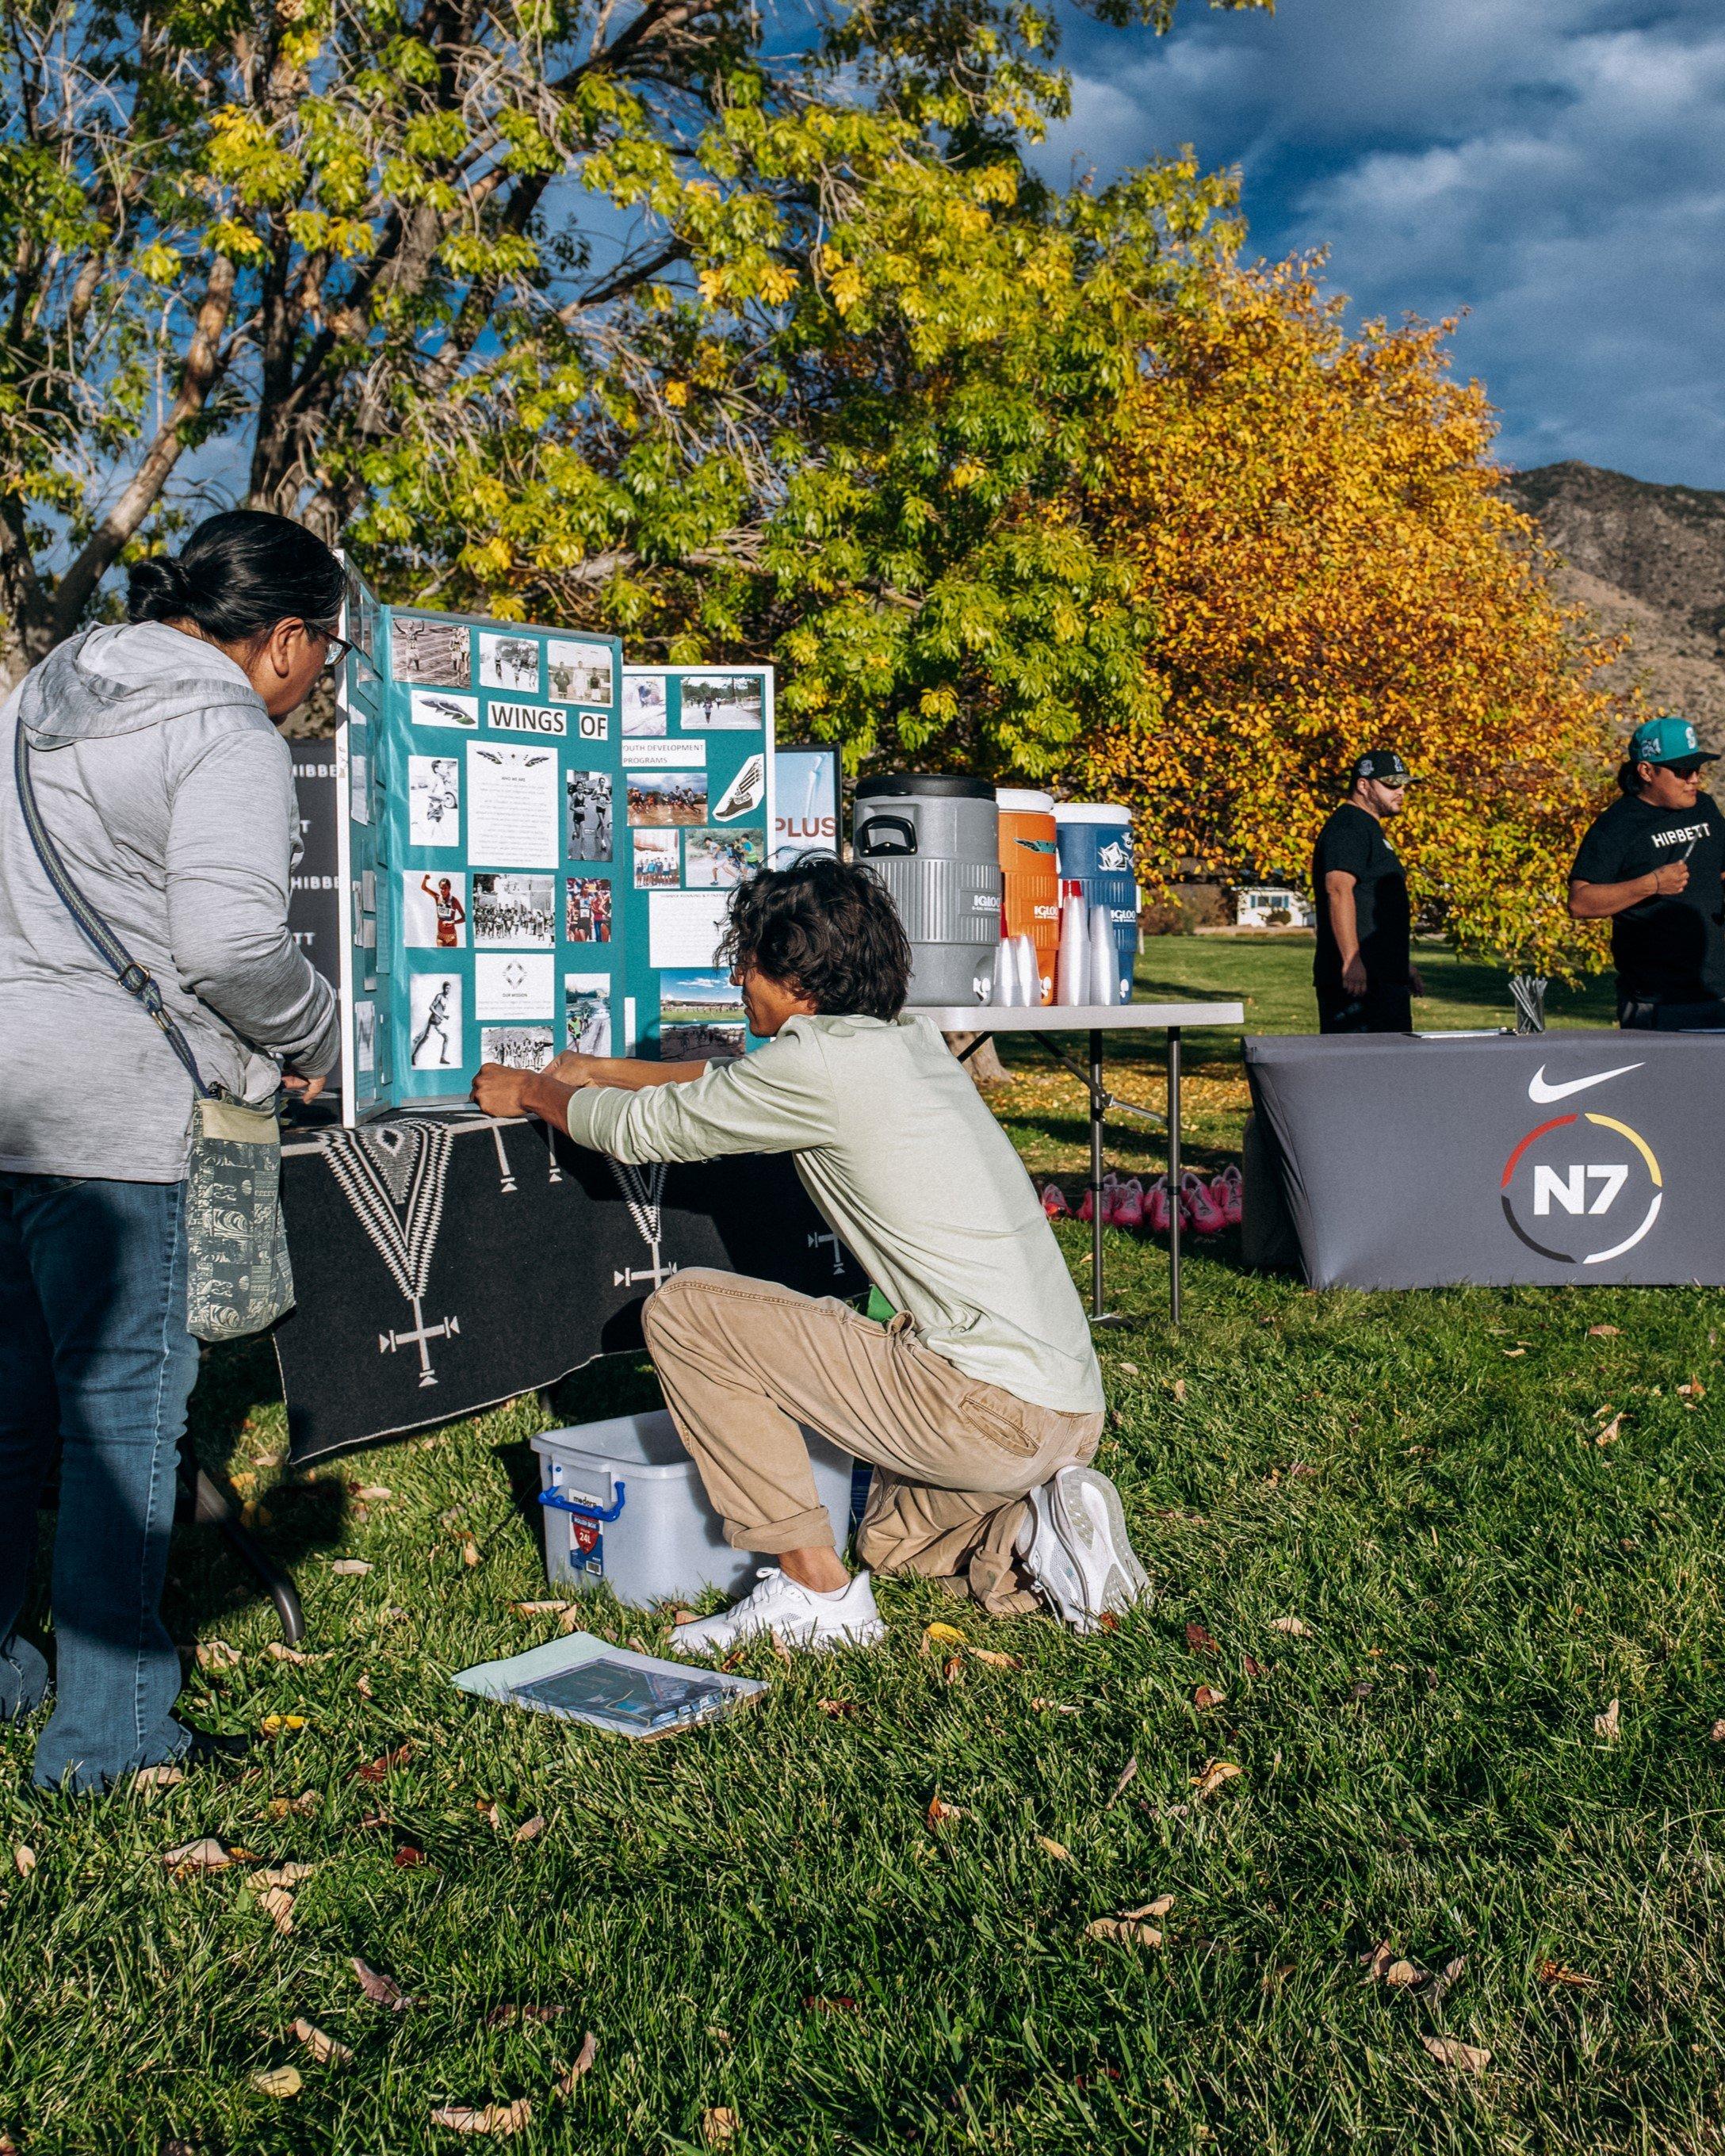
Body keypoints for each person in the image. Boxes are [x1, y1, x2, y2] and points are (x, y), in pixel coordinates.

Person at [472, 856, 1149, 1653]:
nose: (737, 979)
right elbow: (736, 1079)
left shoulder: (817, 1067)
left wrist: (532, 1093)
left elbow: (636, 1132)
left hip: (986, 1413)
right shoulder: (908, 1042)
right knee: (891, 1543)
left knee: (687, 1312)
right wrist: (603, 1069)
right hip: (1064, 1413)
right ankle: (1037, 1527)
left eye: (748, 963)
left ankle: (813, 1592)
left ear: (800, 983)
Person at [0, 509, 345, 1792]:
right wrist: (315, 1030)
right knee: (123, 1425)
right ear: (288, 639)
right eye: (325, 656)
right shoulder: (221, 733)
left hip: (9, 1101)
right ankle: (112, 1732)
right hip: (119, 1117)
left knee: (14, 1411)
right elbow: (230, 947)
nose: (316, 684)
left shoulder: (42, 692)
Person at [1568, 713, 1725, 1030]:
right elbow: (1580, 903)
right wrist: (1651, 884)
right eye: (1683, 771)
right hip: (1657, 1003)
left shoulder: (1705, 807)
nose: (1694, 778)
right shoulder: (1616, 826)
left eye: (1697, 769)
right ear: (1647, 771)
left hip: (1718, 992)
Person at [1310, 748, 1425, 1033]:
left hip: (1383, 977)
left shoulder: (1368, 828)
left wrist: (1399, 965)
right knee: (1357, 1072)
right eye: (1390, 784)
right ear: (1363, 785)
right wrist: (1351, 960)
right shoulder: (1349, 825)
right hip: (1358, 984)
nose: (1400, 792)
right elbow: (1338, 890)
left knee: (1389, 1072)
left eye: (1403, 785)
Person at [421, 872, 465, 948]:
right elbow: (424, 888)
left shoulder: (454, 901)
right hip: (440, 935)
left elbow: (465, 918)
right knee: (441, 956)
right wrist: (425, 879)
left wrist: (453, 922)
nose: (443, 890)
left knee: (451, 959)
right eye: (441, 888)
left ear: (449, 888)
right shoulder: (437, 897)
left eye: (445, 888)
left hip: (451, 936)